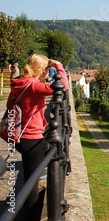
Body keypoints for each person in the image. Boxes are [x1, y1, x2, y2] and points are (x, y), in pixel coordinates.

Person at [7, 54, 68, 221]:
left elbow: (9, 105)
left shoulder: (19, 83)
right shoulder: (34, 86)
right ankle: (32, 216)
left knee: (32, 176)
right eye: (47, 69)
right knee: (32, 183)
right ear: (42, 70)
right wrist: (59, 66)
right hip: (32, 137)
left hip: (19, 136)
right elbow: (63, 86)